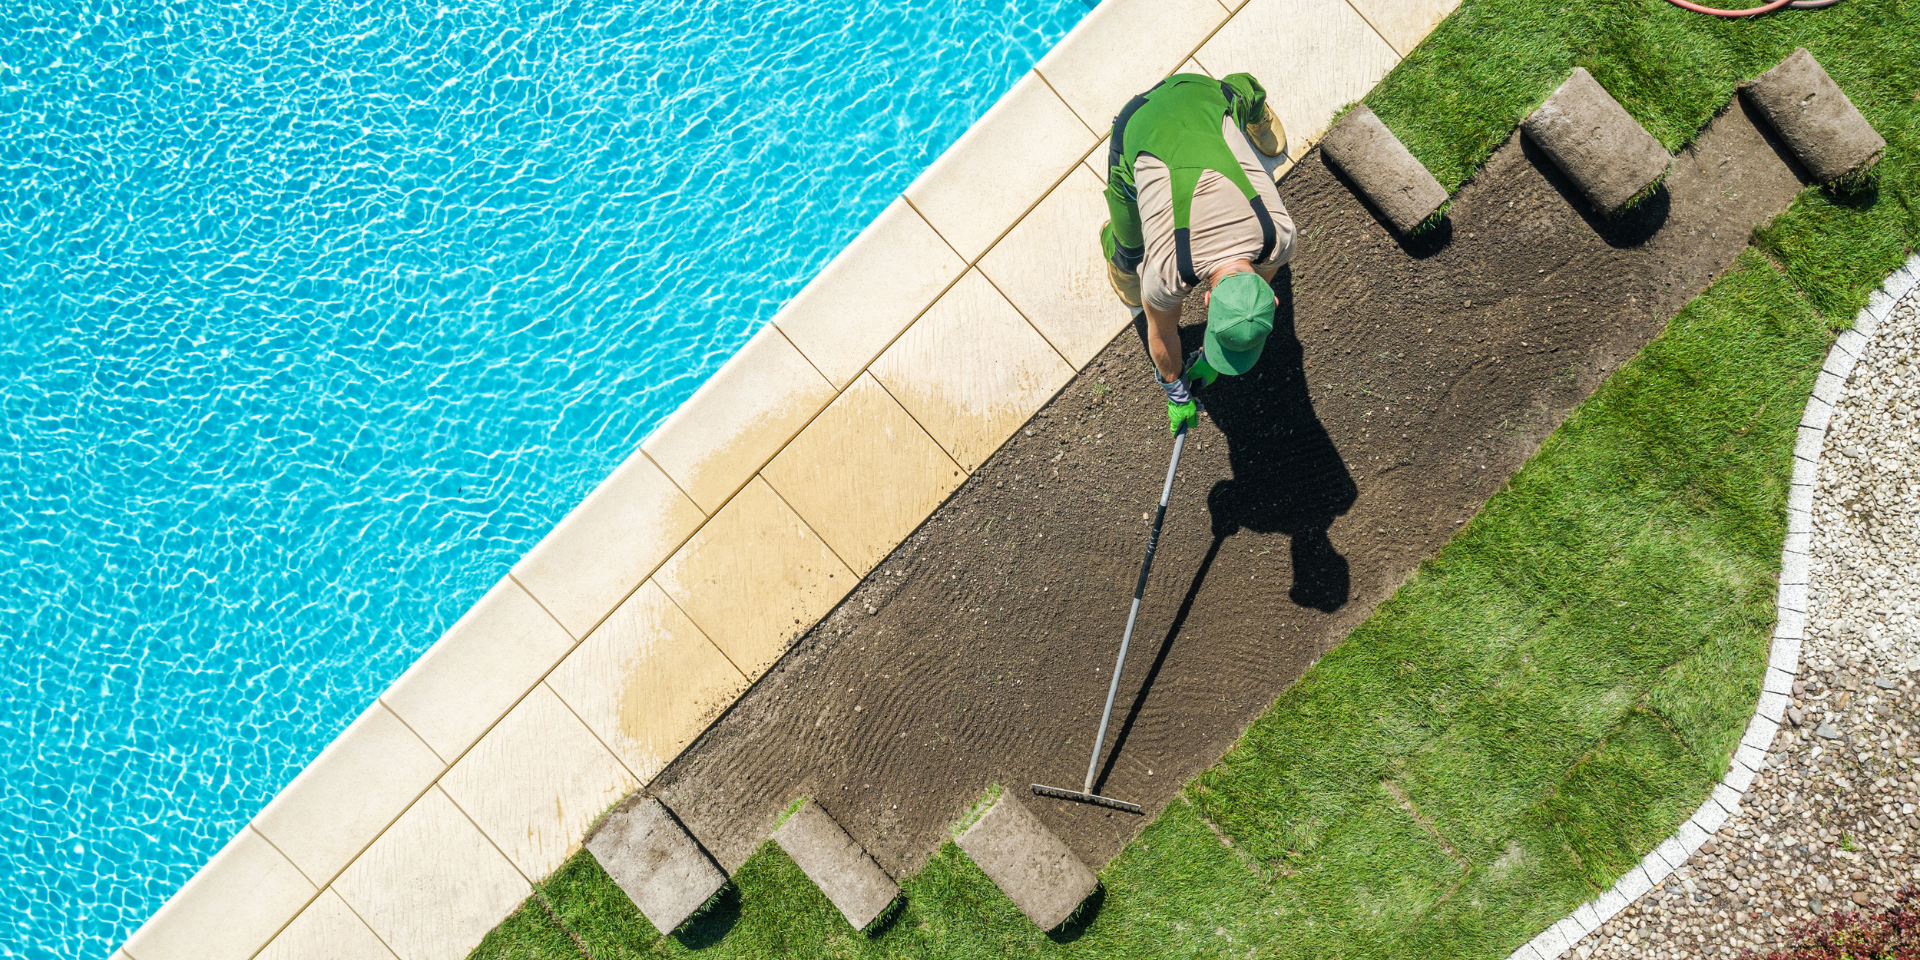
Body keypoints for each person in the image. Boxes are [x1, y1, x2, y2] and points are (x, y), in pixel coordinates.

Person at [1100, 72, 1297, 435]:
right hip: (1142, 122)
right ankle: (1256, 110)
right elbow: (1160, 333)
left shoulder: (1280, 239)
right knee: (1130, 250)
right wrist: (1174, 388)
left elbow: (1257, 283)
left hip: (1202, 101)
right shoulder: (1165, 273)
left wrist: (1207, 356)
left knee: (1235, 100)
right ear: (1205, 301)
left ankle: (1252, 112)